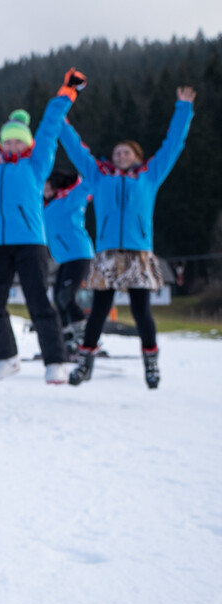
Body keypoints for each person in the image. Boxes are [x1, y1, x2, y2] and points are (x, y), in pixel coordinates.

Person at [59, 85, 195, 389]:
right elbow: (76, 150)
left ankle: (151, 365)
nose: (120, 156)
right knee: (99, 311)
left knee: (140, 311)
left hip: (138, 253)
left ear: (137, 157)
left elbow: (173, 144)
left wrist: (183, 108)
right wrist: (60, 118)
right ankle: (84, 363)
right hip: (107, 253)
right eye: (117, 152)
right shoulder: (99, 176)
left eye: (127, 152)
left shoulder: (150, 176)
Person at [0, 69, 85, 384]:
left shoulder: (37, 162)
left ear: (26, 144)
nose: (11, 145)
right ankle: (7, 357)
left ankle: (56, 361)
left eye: (17, 141)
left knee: (39, 301)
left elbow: (51, 125)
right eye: (7, 140)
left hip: (30, 242)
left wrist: (68, 91)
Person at [41, 168, 94, 356]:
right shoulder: (45, 206)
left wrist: (88, 171)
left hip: (79, 254)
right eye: (44, 188)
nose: (45, 191)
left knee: (66, 296)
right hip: (64, 258)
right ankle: (67, 338)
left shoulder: (70, 199)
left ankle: (84, 338)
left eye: (49, 188)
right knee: (57, 298)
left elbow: (88, 184)